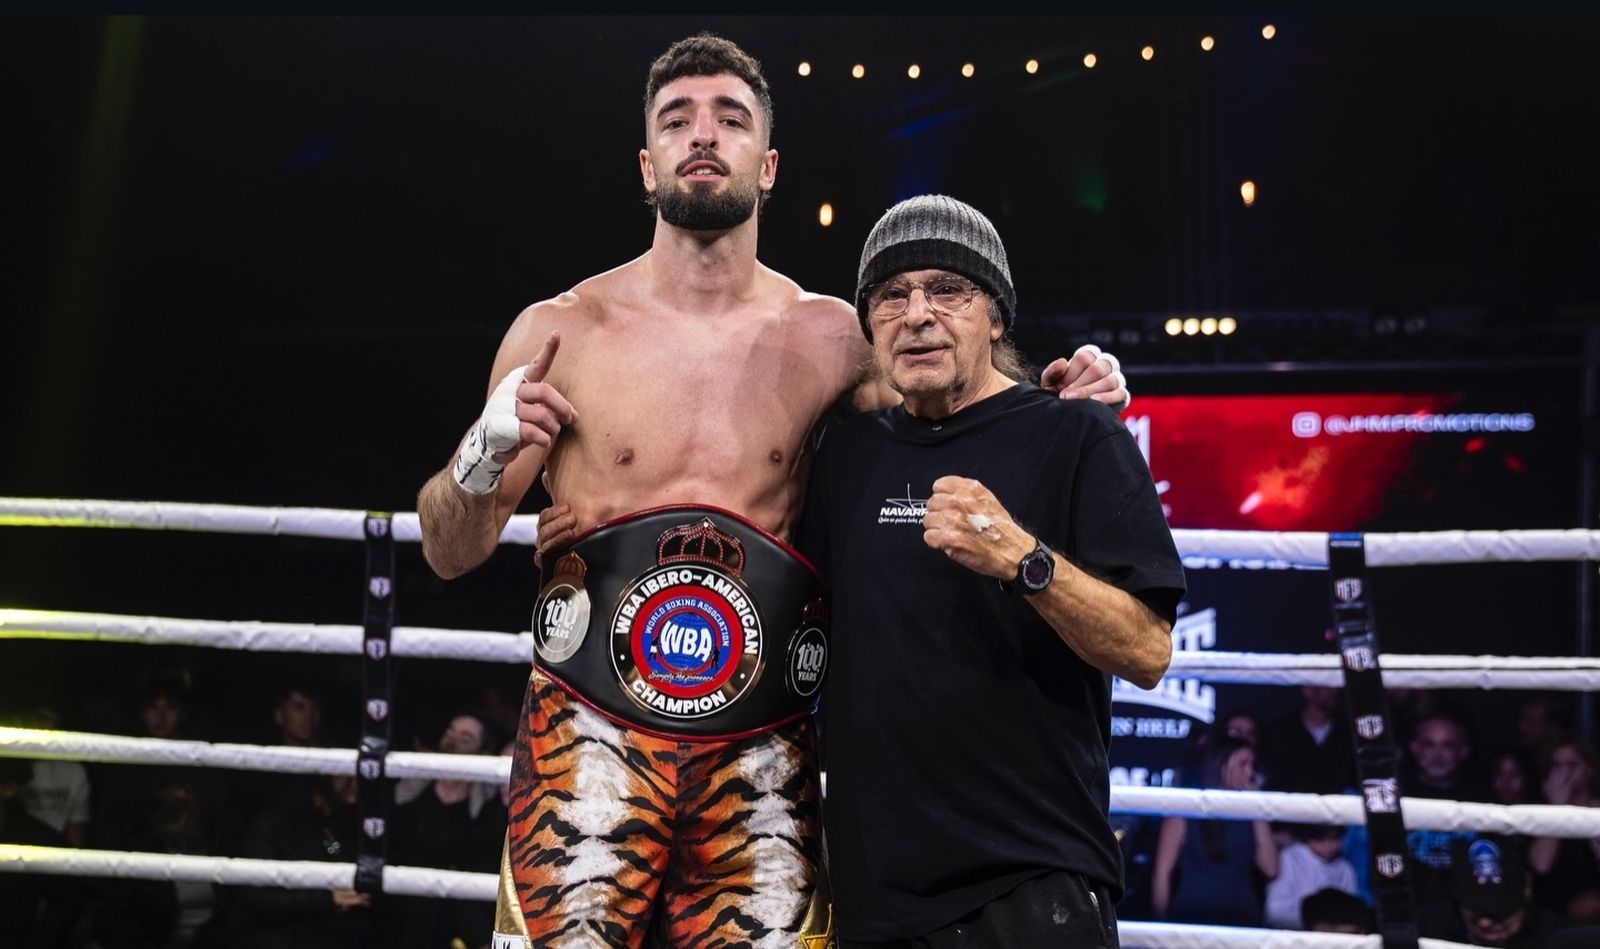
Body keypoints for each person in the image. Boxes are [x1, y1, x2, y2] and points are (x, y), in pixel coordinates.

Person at [415, 34, 1129, 949]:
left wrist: (1069, 390)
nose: (702, 136)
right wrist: (486, 449)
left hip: (760, 750)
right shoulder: (563, 331)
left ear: (770, 161)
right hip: (587, 738)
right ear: (646, 163)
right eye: (676, 120)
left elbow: (964, 390)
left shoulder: (829, 337)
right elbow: (449, 549)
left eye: (730, 119)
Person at [795, 194, 1185, 947]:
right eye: (891, 295)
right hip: (874, 895)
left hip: (1030, 884)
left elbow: (1148, 651)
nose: (917, 314)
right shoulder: (848, 456)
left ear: (996, 317)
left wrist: (1026, 561)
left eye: (949, 289)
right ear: (870, 325)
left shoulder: (1077, 434)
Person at [1151, 738, 1277, 928]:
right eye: (1243, 764)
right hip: (1193, 915)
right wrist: (1160, 924)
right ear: (1220, 764)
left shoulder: (1250, 812)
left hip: (1241, 916)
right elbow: (1162, 872)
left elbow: (1270, 868)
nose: (1250, 772)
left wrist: (1256, 805)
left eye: (1252, 764)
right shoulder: (1185, 811)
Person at [1418, 834, 1571, 948]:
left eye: (1501, 912)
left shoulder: (1558, 938)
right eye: (1476, 910)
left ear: (1527, 887)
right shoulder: (1426, 931)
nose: (1485, 923)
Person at [1263, 824, 1358, 929]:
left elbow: (1351, 913)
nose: (1331, 846)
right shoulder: (1290, 858)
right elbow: (1275, 912)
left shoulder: (1344, 868)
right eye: (1322, 839)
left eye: (1334, 838)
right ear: (1309, 837)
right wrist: (1318, 925)